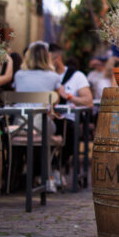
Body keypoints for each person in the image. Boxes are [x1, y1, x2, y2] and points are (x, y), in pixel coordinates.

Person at [50, 43, 93, 182]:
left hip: (68, 119)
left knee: (69, 129)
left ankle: (56, 167)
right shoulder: (46, 76)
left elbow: (88, 101)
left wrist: (69, 96)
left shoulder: (76, 76)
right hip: (48, 117)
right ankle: (45, 172)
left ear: (58, 59)